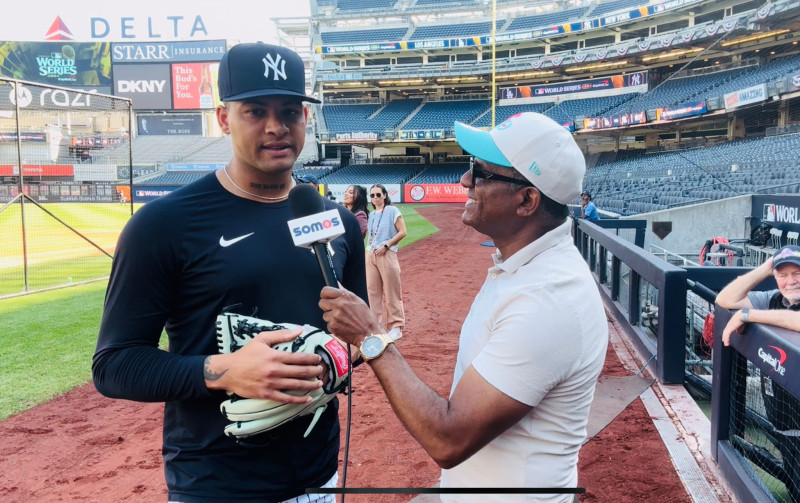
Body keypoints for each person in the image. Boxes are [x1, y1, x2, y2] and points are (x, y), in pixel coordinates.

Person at [92, 42, 368, 503]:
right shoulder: (164, 225)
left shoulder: (337, 222)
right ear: (224, 118)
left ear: (306, 117)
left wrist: (333, 358)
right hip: (217, 486)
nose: (276, 127)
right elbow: (114, 365)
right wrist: (223, 372)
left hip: (319, 477)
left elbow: (356, 337)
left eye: (290, 111)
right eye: (255, 111)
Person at [319, 112, 609, 502]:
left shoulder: (548, 297)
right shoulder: (527, 271)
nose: (465, 180)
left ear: (527, 200)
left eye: (480, 171)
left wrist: (371, 337)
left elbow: (448, 437)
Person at [716, 244, 800, 502]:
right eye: (782, 274)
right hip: (784, 424)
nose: (790, 281)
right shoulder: (774, 298)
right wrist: (766, 267)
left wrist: (749, 314)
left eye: (797, 273)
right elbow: (724, 299)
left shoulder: (763, 306)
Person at [366, 184, 407, 340]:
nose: (375, 198)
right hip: (371, 254)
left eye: (378, 194)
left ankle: (396, 326)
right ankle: (377, 326)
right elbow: (371, 235)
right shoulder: (371, 215)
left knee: (391, 291)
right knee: (373, 292)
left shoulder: (391, 211)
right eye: (372, 195)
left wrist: (386, 245)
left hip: (387, 253)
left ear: (384, 195)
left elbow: (403, 232)